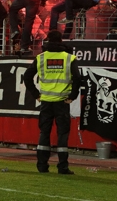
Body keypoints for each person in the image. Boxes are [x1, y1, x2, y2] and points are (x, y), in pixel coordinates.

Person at [23, 30, 81, 175]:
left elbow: (27, 77)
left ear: (48, 40)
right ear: (61, 41)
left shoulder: (41, 57)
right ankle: (62, 167)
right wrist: (72, 96)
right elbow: (78, 78)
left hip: (46, 101)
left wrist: (36, 94)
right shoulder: (69, 58)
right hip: (62, 102)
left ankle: (42, 166)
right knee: (62, 134)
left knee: (44, 132)